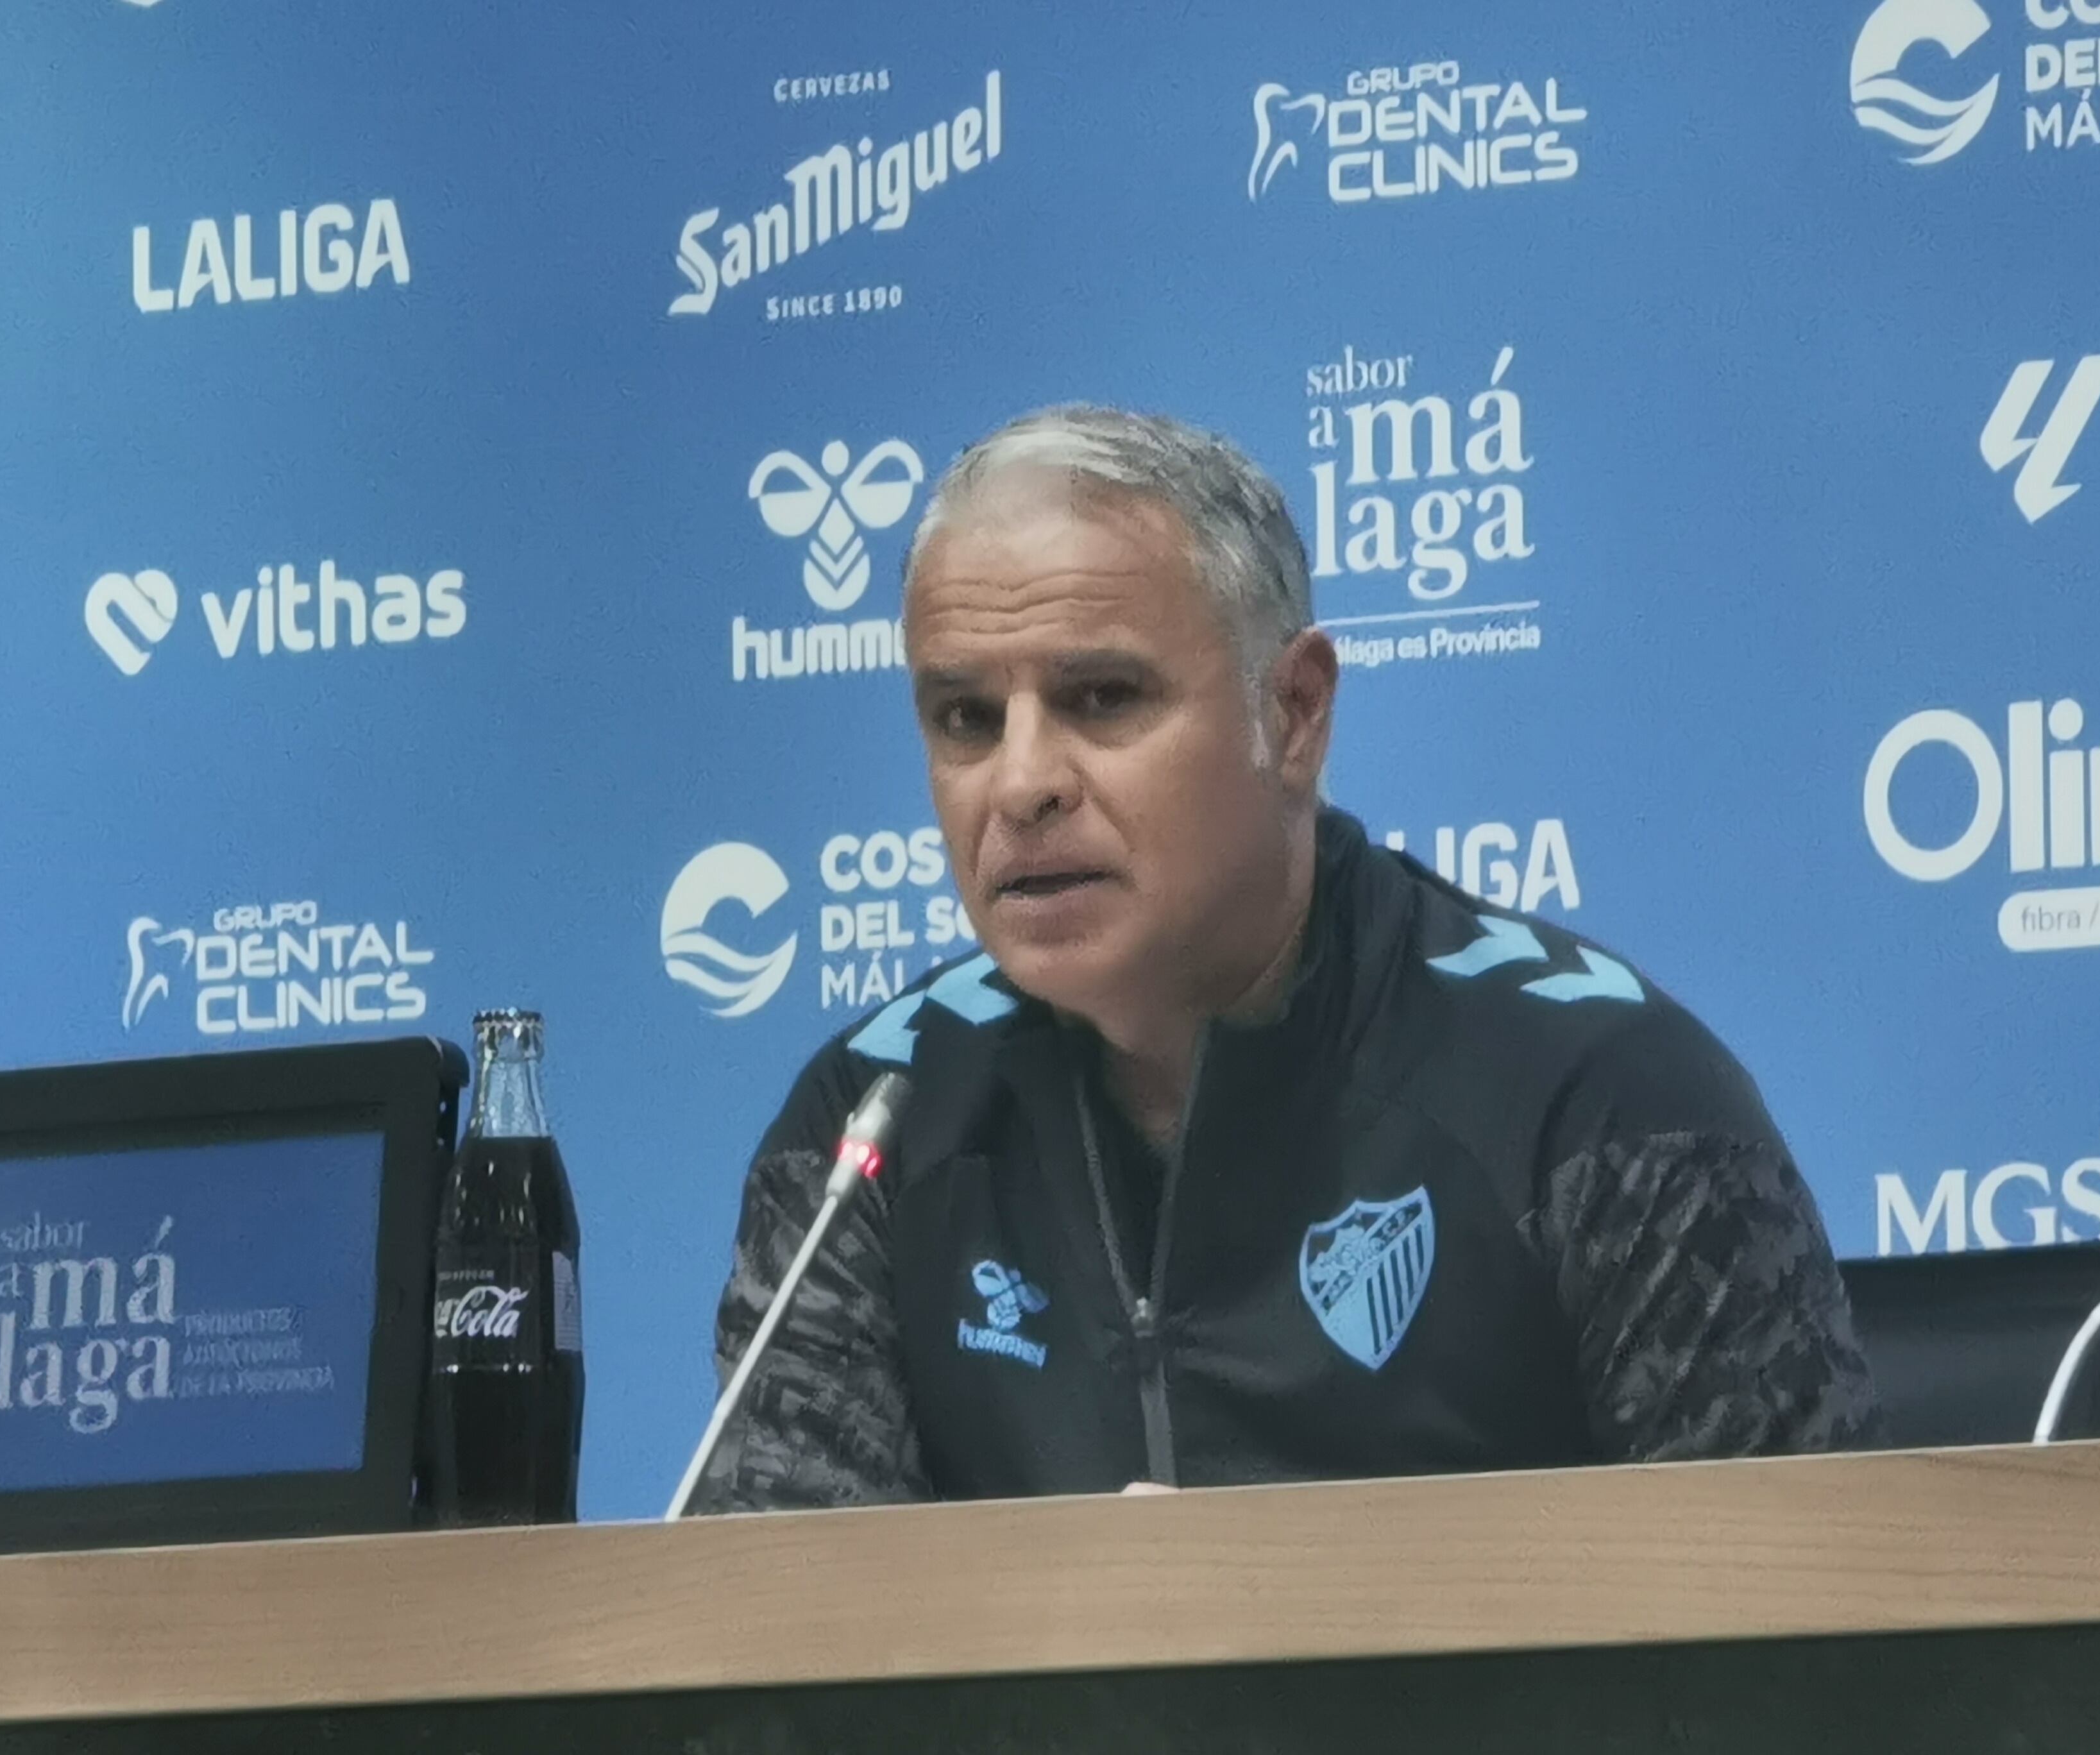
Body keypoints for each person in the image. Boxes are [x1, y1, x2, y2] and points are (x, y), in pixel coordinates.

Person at [695, 406, 1876, 1511]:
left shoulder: (1597, 1100)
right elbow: (780, 1671)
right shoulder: (872, 1125)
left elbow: (1814, 1653)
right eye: (965, 719)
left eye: (1102, 697)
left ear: (1296, 713)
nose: (1020, 782)